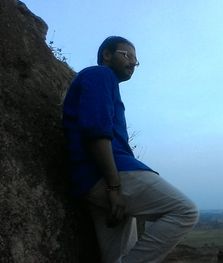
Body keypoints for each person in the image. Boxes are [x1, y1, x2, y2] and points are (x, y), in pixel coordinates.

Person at [62, 36, 198, 263]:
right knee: (185, 211)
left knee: (118, 256)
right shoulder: (99, 75)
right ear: (107, 55)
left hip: (89, 181)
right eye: (127, 55)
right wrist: (114, 187)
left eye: (136, 60)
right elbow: (96, 131)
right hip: (108, 173)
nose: (133, 63)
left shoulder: (107, 85)